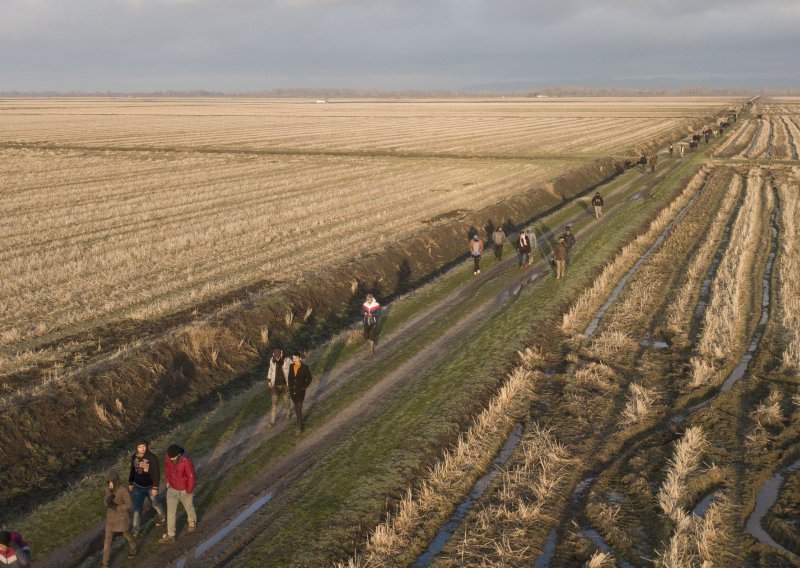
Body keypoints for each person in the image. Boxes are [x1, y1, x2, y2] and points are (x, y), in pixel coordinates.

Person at [159, 444, 197, 544]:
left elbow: (191, 476)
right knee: (170, 513)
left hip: (184, 490)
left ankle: (192, 521)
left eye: (174, 457)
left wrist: (189, 490)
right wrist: (167, 481)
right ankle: (171, 535)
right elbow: (167, 469)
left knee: (188, 507)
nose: (172, 459)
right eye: (170, 457)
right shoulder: (168, 458)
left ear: (179, 454)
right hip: (172, 489)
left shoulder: (186, 460)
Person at [128, 440, 165, 536]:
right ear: (137, 448)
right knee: (137, 509)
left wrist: (155, 487)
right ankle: (135, 531)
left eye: (143, 446)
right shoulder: (134, 457)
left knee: (155, 503)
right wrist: (130, 482)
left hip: (150, 487)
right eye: (140, 447)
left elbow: (157, 473)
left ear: (146, 446)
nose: (142, 448)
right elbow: (132, 470)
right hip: (138, 487)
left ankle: (162, 516)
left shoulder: (152, 457)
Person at [103, 472, 137, 566]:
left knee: (126, 534)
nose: (109, 484)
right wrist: (107, 501)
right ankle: (105, 563)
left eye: (111, 482)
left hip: (122, 517)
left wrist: (117, 507)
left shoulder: (123, 491)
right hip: (110, 518)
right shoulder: (107, 489)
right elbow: (105, 502)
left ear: (115, 481)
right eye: (108, 482)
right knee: (107, 540)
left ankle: (133, 546)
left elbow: (129, 504)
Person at [287, 352, 313, 433]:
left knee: (299, 408)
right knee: (296, 408)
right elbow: (290, 378)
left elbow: (309, 379)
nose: (294, 360)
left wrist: (304, 387)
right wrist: (290, 388)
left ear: (300, 358)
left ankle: (299, 426)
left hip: (300, 392)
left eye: (295, 358)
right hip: (293, 392)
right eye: (293, 358)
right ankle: (299, 422)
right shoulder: (291, 366)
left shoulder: (305, 367)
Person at [267, 348, 292, 425]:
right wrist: (269, 380)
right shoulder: (272, 361)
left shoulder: (287, 360)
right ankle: (272, 422)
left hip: (285, 385)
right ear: (273, 355)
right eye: (275, 356)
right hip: (275, 385)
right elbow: (270, 370)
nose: (277, 358)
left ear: (281, 354)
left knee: (286, 400)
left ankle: (288, 413)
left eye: (278, 356)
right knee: (274, 403)